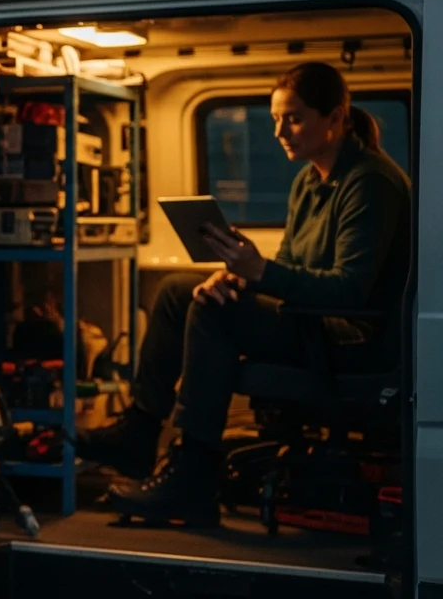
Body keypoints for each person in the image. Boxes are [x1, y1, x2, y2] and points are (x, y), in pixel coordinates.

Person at [77, 61, 411, 526]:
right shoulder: (308, 181)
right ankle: (140, 430)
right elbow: (294, 264)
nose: (279, 131)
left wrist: (260, 272)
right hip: (310, 316)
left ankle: (193, 473)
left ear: (335, 118)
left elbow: (349, 289)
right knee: (179, 291)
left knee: (215, 315)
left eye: (293, 118)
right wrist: (239, 275)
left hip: (352, 337)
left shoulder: (370, 183)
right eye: (275, 119)